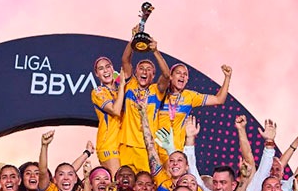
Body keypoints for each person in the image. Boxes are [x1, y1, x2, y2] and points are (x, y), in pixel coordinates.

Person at [151, 63, 233, 162]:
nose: (182, 76)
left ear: (187, 80)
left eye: (185, 74)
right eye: (178, 73)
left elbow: (219, 99)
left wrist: (227, 78)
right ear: (171, 76)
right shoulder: (158, 94)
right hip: (154, 153)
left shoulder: (190, 96)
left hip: (175, 154)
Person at [119, 37, 170, 173]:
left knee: (145, 182)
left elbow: (166, 75)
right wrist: (133, 39)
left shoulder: (156, 91)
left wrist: (155, 51)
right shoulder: (130, 85)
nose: (144, 72)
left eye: (148, 70)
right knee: (124, 181)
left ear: (153, 76)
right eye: (141, 69)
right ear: (136, 73)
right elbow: (125, 60)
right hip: (126, 145)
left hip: (146, 147)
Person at [89, 58, 125, 175]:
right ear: (97, 74)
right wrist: (122, 85)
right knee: (117, 181)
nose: (105, 71)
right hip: (108, 146)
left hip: (123, 144)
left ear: (113, 69)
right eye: (101, 69)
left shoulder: (120, 91)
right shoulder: (98, 92)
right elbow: (115, 110)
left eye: (108, 66)